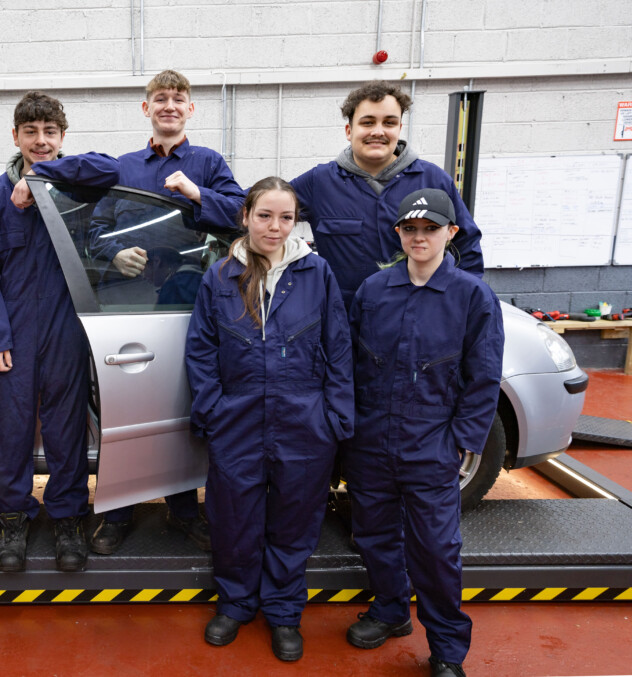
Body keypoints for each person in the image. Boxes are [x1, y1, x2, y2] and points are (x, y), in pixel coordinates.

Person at [10, 69, 245, 555]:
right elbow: (92, 229)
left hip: (187, 304)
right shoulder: (123, 167)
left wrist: (199, 194)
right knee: (125, 411)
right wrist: (111, 255)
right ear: (146, 109)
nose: (169, 106)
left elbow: (244, 213)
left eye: (178, 99)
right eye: (160, 98)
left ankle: (183, 510)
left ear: (190, 109)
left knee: (175, 410)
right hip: (125, 306)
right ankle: (116, 512)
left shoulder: (208, 162)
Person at [185, 177, 354, 661]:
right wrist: (213, 410)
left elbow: (338, 346)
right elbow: (201, 352)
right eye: (265, 216)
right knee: (233, 517)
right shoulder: (218, 277)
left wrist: (334, 416)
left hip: (304, 418)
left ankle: (282, 612)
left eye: (285, 217)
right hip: (236, 417)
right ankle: (236, 603)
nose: (275, 227)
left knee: (294, 520)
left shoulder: (316, 273)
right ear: (245, 217)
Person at [344, 189, 504, 677]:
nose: (419, 237)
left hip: (430, 443)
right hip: (371, 439)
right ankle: (391, 611)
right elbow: (350, 364)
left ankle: (448, 649)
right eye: (410, 229)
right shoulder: (373, 291)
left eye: (430, 229)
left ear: (450, 233)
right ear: (398, 233)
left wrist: (462, 442)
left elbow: (483, 380)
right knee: (373, 534)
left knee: (435, 549)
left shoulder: (473, 297)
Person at [0, 91, 91, 573]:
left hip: (66, 329)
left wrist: (45, 176)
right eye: (30, 132)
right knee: (8, 430)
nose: (40, 141)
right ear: (15, 136)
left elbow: (108, 169)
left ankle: (67, 519)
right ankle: (13, 519)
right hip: (12, 331)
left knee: (66, 432)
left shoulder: (79, 186)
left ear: (63, 137)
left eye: (50, 132)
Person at [290, 80, 484, 309]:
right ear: (349, 130)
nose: (378, 131)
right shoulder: (319, 183)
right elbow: (255, 207)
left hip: (418, 319)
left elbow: (467, 248)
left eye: (389, 122)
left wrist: (460, 306)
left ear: (399, 128)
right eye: (368, 122)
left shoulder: (433, 180)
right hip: (345, 324)